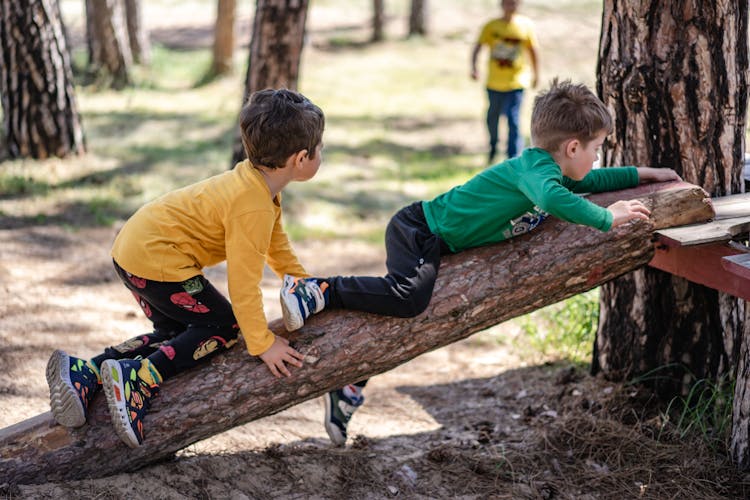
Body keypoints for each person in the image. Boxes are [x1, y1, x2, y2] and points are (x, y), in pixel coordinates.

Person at [279, 78, 681, 446]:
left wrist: (647, 174)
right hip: (419, 229)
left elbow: (592, 182)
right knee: (408, 299)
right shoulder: (537, 172)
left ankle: (349, 385)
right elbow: (555, 199)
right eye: (596, 150)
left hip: (440, 242)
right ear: (573, 147)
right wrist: (609, 218)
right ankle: (317, 289)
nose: (597, 159)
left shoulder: (550, 168)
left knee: (395, 314)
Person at [45, 88, 325, 448]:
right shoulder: (252, 204)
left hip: (133, 251)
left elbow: (277, 245)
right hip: (159, 261)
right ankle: (139, 377)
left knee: (179, 333)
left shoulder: (254, 186)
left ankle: (88, 372)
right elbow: (243, 286)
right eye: (320, 149)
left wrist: (304, 282)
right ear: (301, 158)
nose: (321, 155)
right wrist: (263, 343)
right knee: (222, 327)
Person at [471, 0, 540, 164]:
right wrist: (474, 67)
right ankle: (493, 146)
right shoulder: (491, 26)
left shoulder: (525, 25)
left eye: (514, 3)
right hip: (494, 82)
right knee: (492, 117)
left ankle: (513, 157)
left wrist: (536, 74)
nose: (511, 6)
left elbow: (533, 51)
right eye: (507, 3)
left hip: (516, 82)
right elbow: (478, 47)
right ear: (501, 4)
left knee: (513, 119)